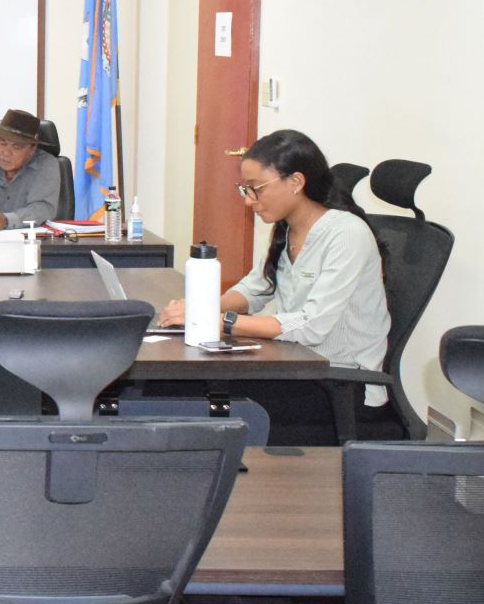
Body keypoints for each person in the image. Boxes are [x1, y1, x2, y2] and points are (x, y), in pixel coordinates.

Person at [156, 129, 390, 404]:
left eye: (257, 188)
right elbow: (255, 288)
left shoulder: (347, 234)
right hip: (296, 365)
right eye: (246, 189)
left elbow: (312, 325)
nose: (248, 200)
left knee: (190, 394)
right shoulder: (287, 229)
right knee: (174, 386)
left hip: (339, 385)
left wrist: (221, 322)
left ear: (296, 182)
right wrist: (200, 308)